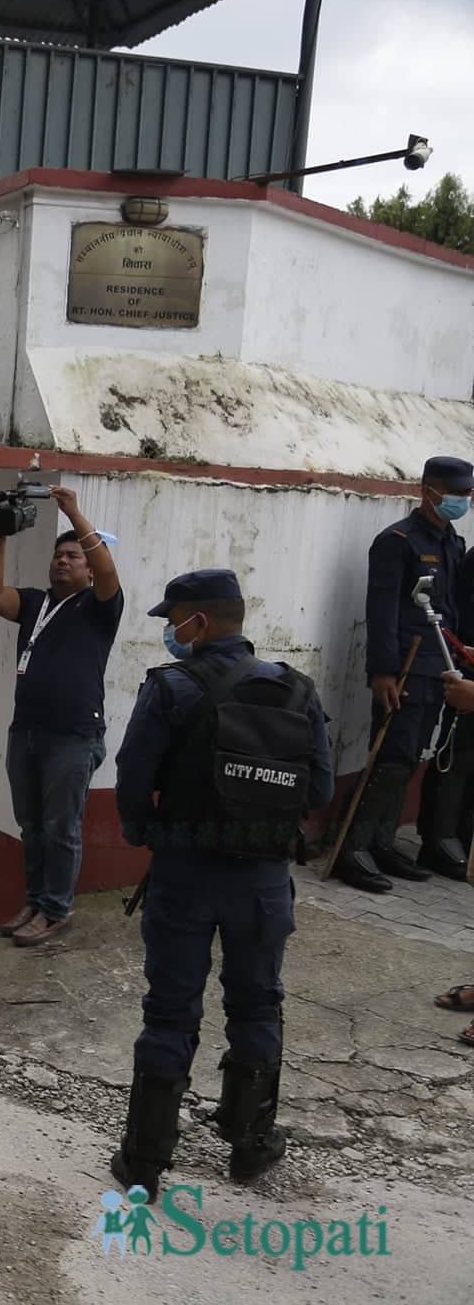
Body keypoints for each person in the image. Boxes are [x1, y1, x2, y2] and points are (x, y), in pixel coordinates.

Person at [110, 569, 333, 1195]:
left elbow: (132, 778)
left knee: (170, 1013)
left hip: (183, 873)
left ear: (199, 623)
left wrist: (146, 831)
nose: (169, 633)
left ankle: (146, 1163)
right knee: (258, 1004)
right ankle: (250, 1143)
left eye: (171, 620)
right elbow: (318, 790)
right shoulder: (297, 691)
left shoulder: (171, 688)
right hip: (262, 879)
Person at [0, 485, 123, 946]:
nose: (64, 560)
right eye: (59, 555)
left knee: (61, 827)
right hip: (27, 733)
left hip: (73, 736)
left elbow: (106, 570)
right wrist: (0, 536)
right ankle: (37, 900)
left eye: (74, 556)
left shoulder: (100, 607)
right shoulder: (35, 603)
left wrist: (75, 514)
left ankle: (56, 910)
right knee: (32, 824)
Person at [336, 456, 472, 891]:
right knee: (390, 755)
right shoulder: (398, 541)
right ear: (427, 490)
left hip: (439, 666)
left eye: (467, 495)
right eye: (455, 494)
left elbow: (448, 608)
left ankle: (381, 840)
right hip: (405, 666)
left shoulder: (453, 542)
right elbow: (381, 611)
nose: (461, 501)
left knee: (412, 755)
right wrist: (383, 671)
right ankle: (351, 848)